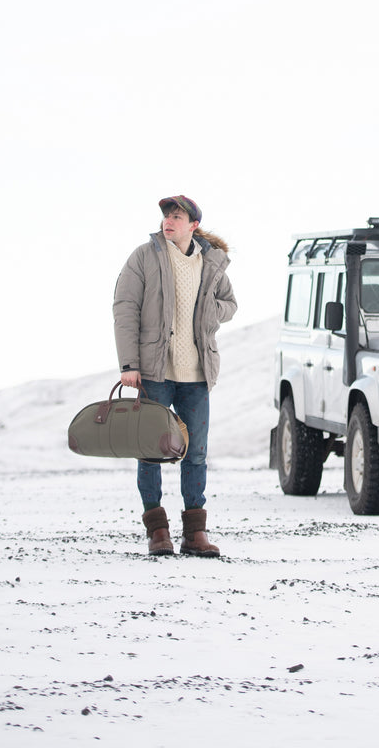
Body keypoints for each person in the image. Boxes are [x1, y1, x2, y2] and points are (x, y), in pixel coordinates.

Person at [113, 195, 237, 557]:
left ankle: (194, 534)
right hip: (154, 373)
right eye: (167, 215)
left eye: (177, 216)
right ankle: (158, 532)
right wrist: (128, 365)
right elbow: (125, 309)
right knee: (150, 453)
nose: (169, 220)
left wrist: (209, 311)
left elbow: (230, 304)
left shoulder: (210, 261)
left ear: (193, 225)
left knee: (195, 454)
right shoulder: (144, 257)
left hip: (197, 375)